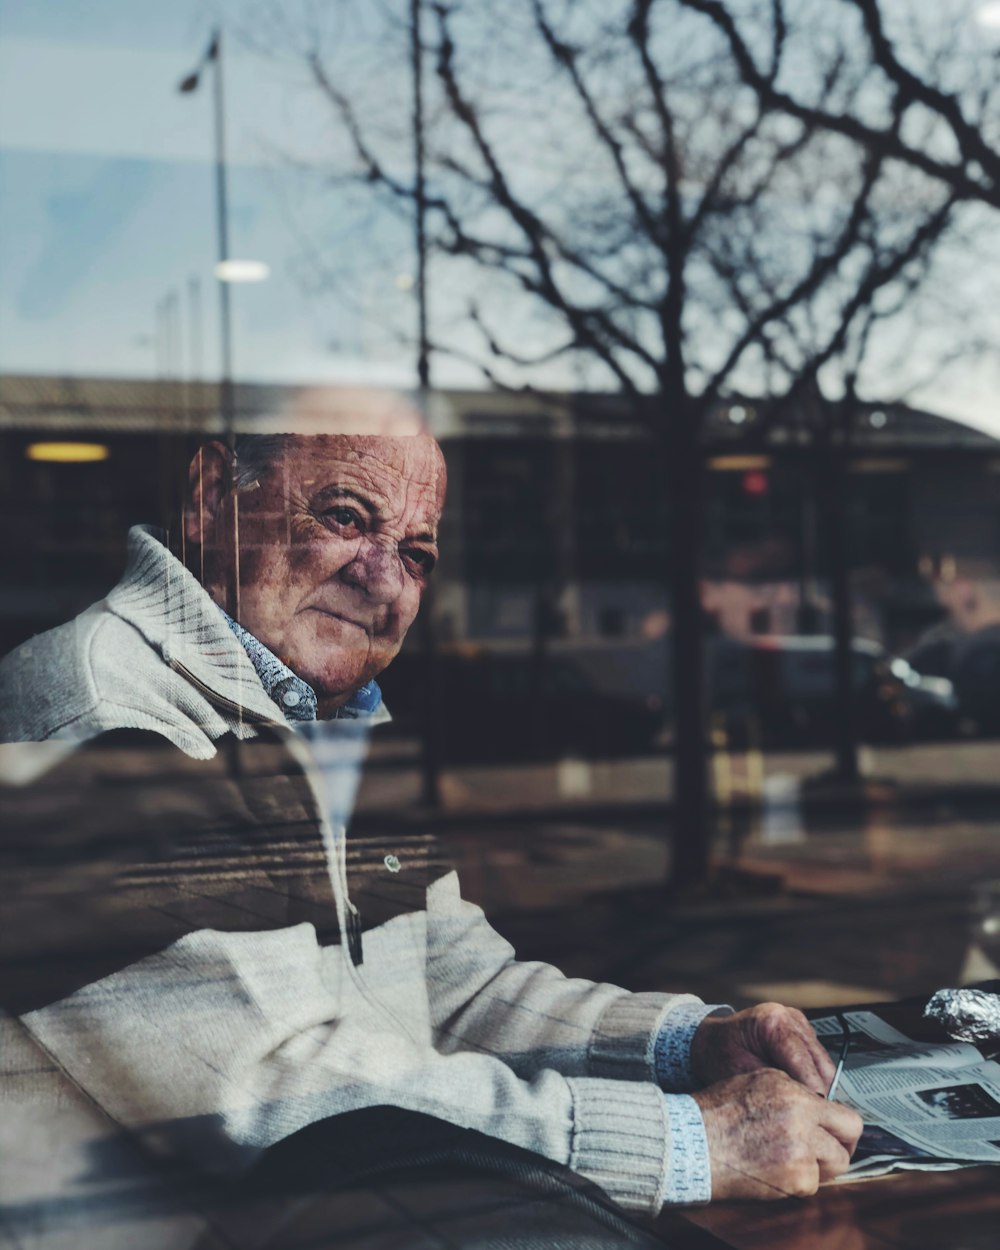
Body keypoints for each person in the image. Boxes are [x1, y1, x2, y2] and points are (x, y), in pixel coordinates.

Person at [0, 390, 861, 1247]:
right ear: (212, 495)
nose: (383, 580)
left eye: (416, 553)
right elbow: (280, 1093)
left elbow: (458, 986)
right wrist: (682, 1144)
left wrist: (683, 1045)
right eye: (345, 515)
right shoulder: (93, 714)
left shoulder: (322, 719)